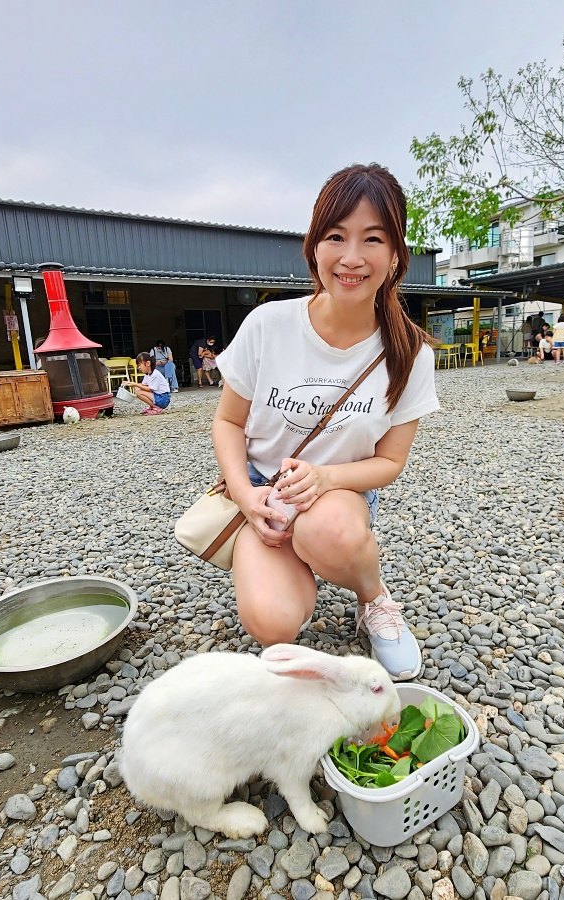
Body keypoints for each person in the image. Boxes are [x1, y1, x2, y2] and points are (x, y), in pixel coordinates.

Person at [212, 163, 439, 681]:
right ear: (314, 246)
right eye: (336, 237)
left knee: (328, 528)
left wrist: (327, 479)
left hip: (340, 498)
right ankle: (290, 558)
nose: (352, 258)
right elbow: (227, 422)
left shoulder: (409, 355)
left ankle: (373, 597)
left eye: (373, 239)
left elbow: (390, 463)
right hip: (264, 493)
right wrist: (248, 500)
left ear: (396, 253)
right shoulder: (269, 326)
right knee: (271, 622)